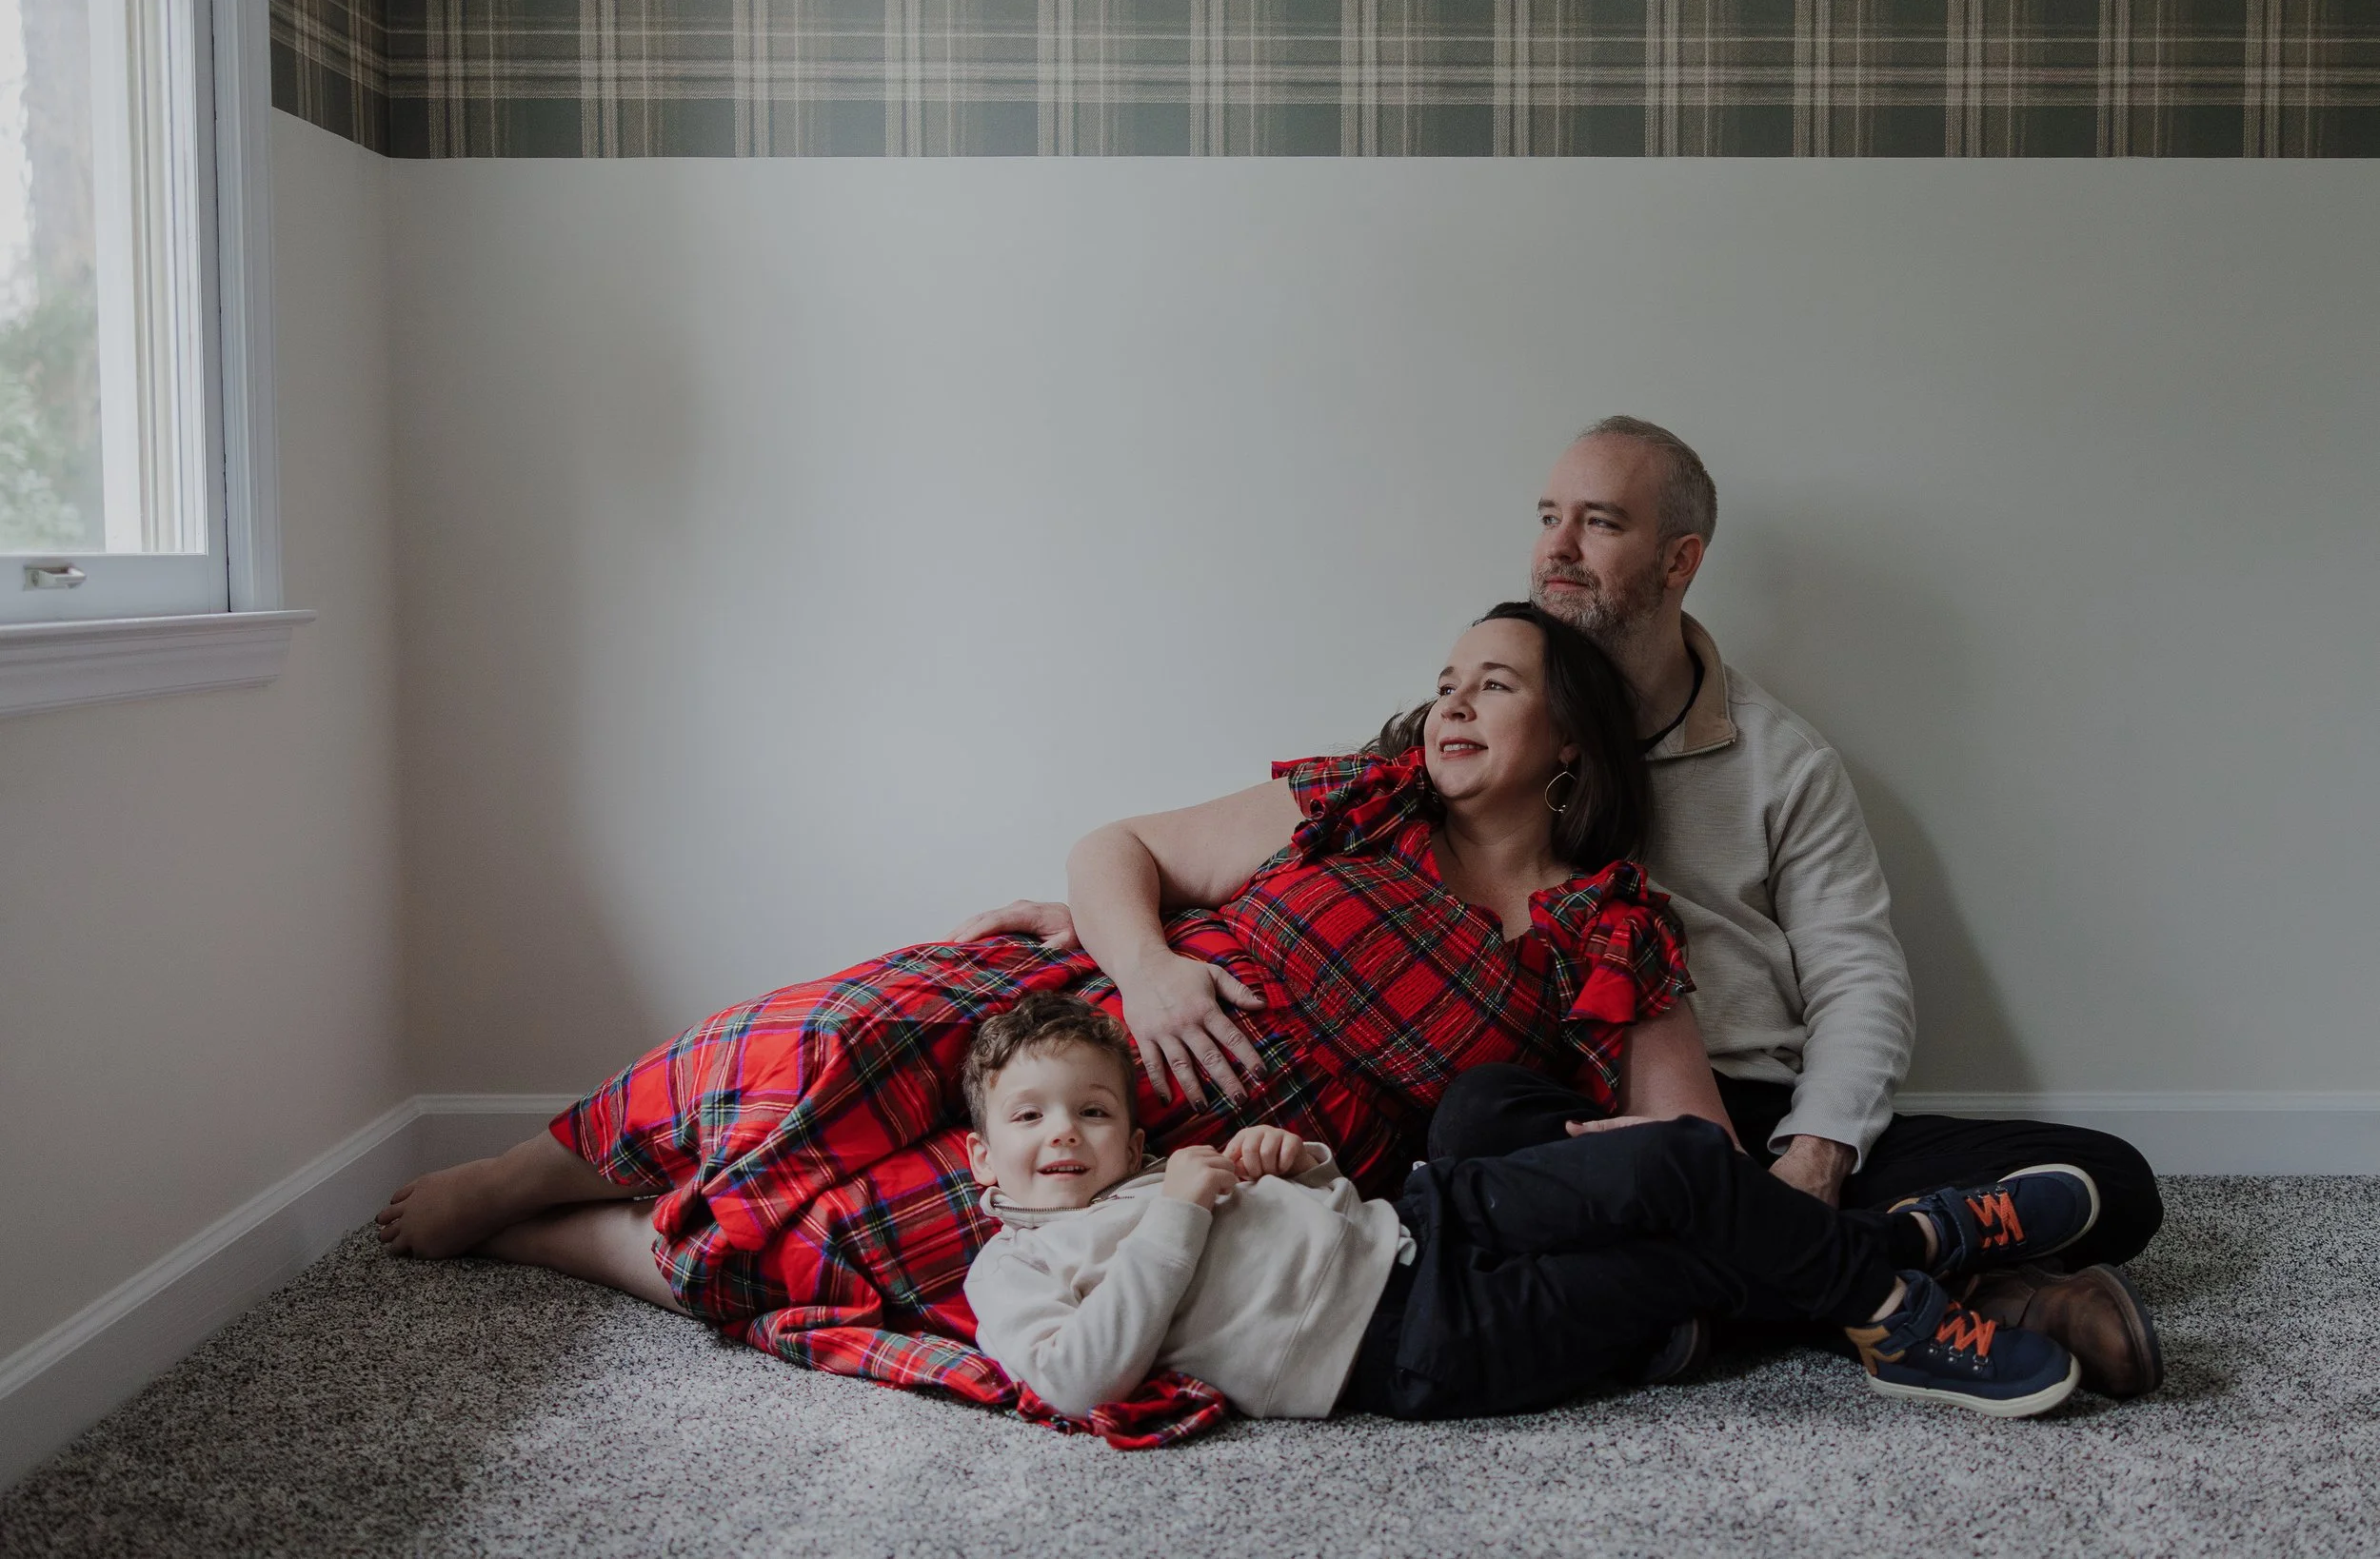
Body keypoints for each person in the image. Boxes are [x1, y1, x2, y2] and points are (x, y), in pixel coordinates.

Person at [960, 416, 2166, 1398]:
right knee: (1484, 1123)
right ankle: (1937, 1283)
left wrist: (1813, 1149)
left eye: (1600, 522)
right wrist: (1133, 941)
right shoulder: (1448, 756)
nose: (1560, 546)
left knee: (2117, 1176)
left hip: (1755, 1104)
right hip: (1572, 1122)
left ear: (1679, 558)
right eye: (1548, 517)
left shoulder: (1776, 762)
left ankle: (1805, 1278)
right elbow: (1223, 857)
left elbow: (1857, 975)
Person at [376, 603, 1712, 1407]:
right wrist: (1146, 963)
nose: (1452, 698)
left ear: (1572, 743)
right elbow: (1115, 847)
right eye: (1448, 675)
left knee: (853, 1241)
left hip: (1211, 1158)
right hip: (1087, 1007)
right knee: (823, 1044)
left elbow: (1692, 1141)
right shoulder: (1355, 802)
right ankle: (517, 1171)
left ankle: (554, 1241)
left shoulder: (1602, 927)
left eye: (1496, 681)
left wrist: (1627, 1157)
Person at [963, 993, 2097, 1423]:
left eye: (1092, 1110)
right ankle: (1901, 1272)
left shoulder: (1177, 1171)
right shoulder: (1007, 1273)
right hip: (1403, 1347)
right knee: (1677, 1265)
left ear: (1130, 1125)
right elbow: (1074, 1378)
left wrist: (1288, 1159)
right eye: (1031, 1119)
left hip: (1423, 1214)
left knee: (1680, 1166)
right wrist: (1178, 1216)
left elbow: (1315, 1202)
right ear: (982, 1156)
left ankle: (1902, 1252)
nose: (1064, 1133)